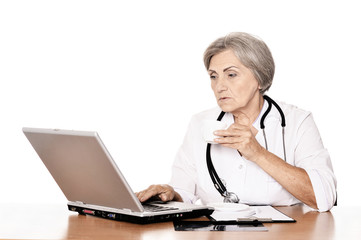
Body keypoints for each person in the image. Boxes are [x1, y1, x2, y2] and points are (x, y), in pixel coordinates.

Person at [136, 32, 337, 212]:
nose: (219, 86)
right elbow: (184, 191)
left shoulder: (297, 122)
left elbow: (324, 198)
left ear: (259, 78)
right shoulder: (200, 123)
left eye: (231, 75)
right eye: (213, 76)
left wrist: (258, 154)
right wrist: (170, 193)